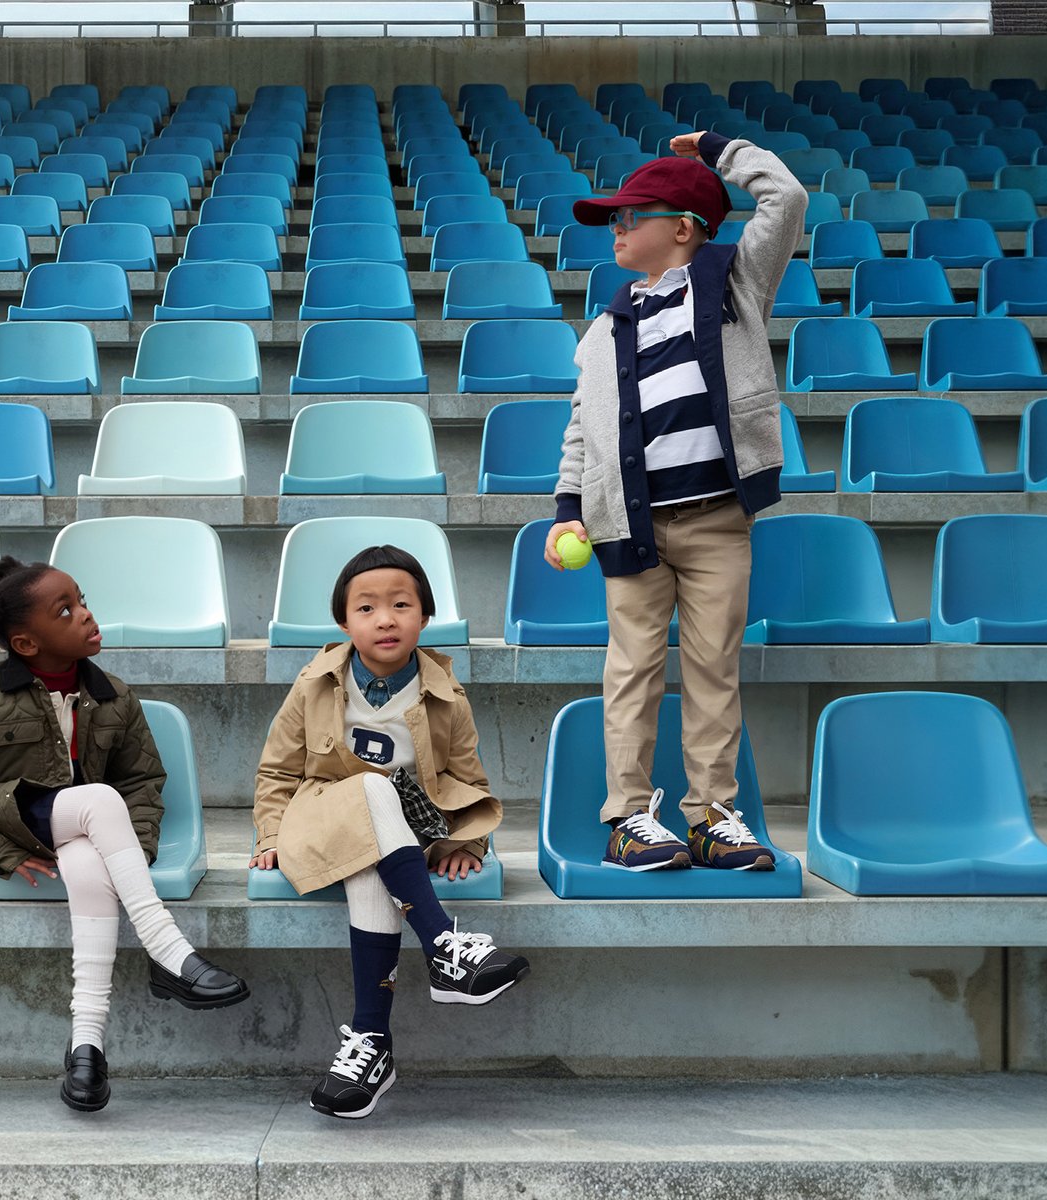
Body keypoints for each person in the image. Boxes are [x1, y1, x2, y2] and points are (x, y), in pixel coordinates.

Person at [546, 129, 805, 873]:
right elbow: (581, 430)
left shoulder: (734, 284)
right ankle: (628, 817)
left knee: (712, 668)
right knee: (629, 669)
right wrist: (568, 509)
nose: (618, 228)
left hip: (719, 521)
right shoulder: (603, 329)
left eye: (633, 215)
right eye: (615, 219)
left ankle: (713, 817)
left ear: (684, 228)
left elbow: (785, 196)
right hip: (629, 525)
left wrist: (722, 151)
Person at [0, 556, 249, 1113]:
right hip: (5, 825)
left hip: (79, 834)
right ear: (25, 644)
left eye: (82, 600)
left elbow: (142, 782)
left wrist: (127, 856)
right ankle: (168, 951)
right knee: (100, 798)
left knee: (94, 857)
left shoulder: (113, 694)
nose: (87, 615)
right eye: (65, 611)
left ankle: (86, 1046)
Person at [251, 545, 531, 1119]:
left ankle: (371, 1041)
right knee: (371, 788)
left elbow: (466, 777)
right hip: (325, 812)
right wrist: (270, 836)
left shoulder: (447, 694)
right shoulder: (314, 683)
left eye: (402, 605)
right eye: (367, 608)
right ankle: (443, 945)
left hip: (410, 828)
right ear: (344, 622)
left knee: (370, 864)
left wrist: (466, 841)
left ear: (424, 617)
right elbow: (278, 770)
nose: (385, 619)